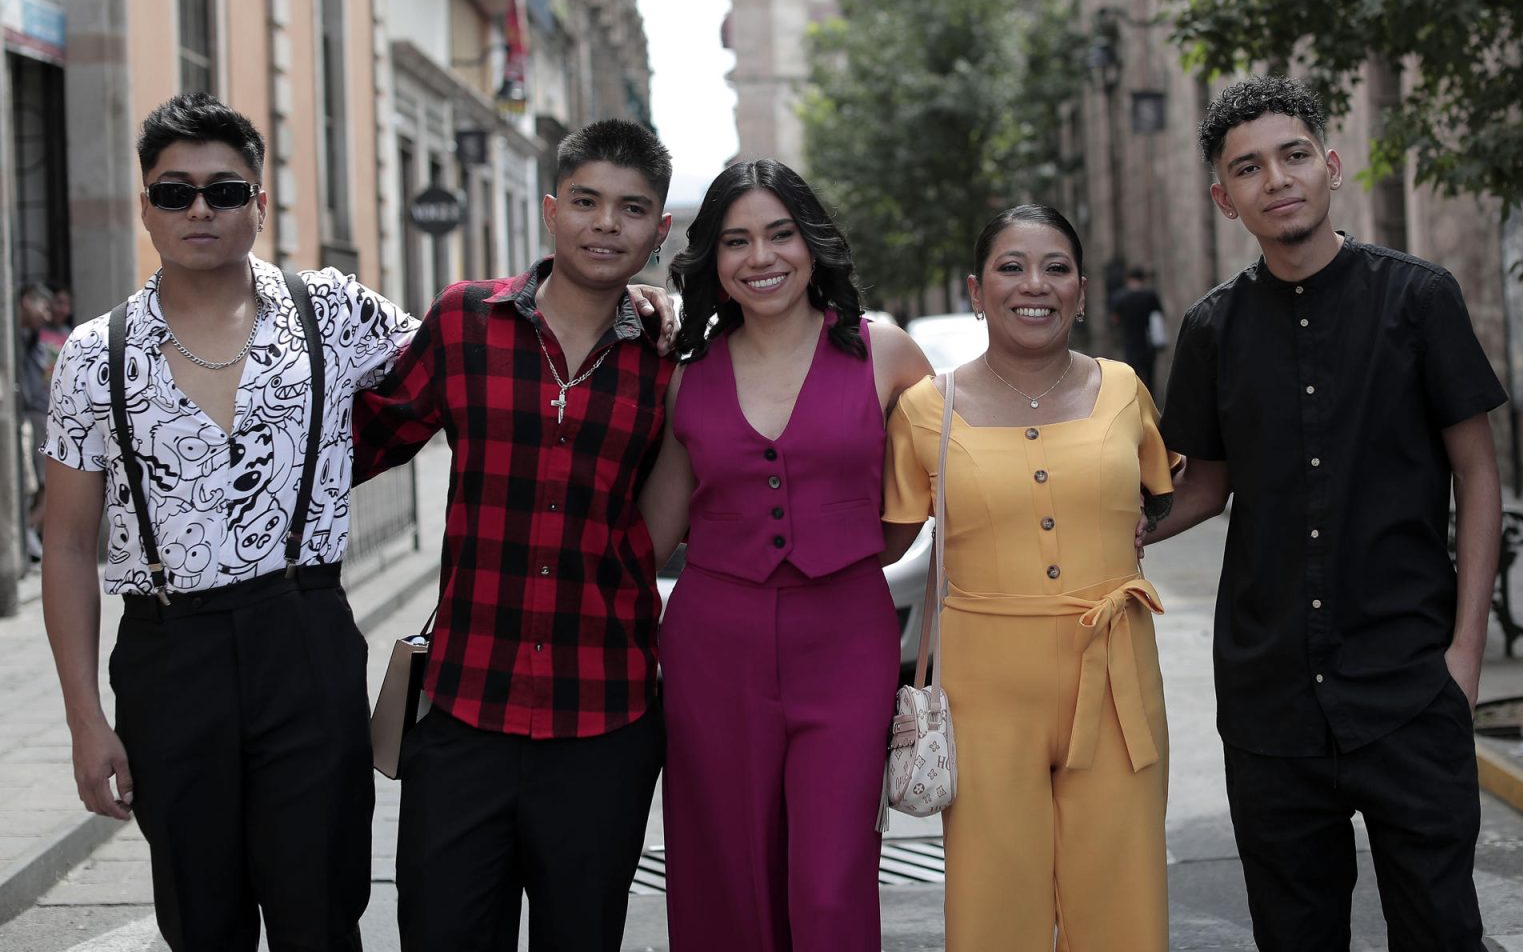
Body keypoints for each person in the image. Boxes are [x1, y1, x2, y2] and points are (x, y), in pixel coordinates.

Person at [41, 93, 419, 951]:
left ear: (259, 200)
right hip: (169, 655)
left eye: (223, 189)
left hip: (305, 632)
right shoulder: (94, 354)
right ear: (145, 209)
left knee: (319, 908)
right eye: (174, 194)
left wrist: (629, 306)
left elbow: (469, 357)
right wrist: (84, 719)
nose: (199, 209)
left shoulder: (331, 311)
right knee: (200, 914)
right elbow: (65, 544)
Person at [1152, 76, 1503, 950]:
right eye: (1248, 168)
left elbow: (1480, 476)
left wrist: (1462, 656)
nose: (1276, 178)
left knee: (1441, 928)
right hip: (1271, 703)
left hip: (1407, 683)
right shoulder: (1211, 331)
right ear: (1223, 199)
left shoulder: (1419, 299)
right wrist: (1091, 525)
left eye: (1293, 155)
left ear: (1330, 165)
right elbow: (1206, 483)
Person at [352, 119, 679, 952]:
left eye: (632, 208)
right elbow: (358, 443)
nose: (607, 223)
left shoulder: (672, 361)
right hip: (465, 711)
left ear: (659, 230)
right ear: (550, 210)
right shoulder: (465, 322)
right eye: (586, 202)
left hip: (604, 716)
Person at [639, 159, 930, 951]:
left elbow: (941, 498)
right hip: (711, 647)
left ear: (814, 244)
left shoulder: (890, 356)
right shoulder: (684, 378)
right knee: (725, 876)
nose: (761, 258)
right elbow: (651, 535)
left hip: (846, 644)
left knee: (830, 885)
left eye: (780, 234)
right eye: (736, 242)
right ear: (714, 263)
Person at [882, 204, 1179, 951]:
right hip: (984, 690)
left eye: (1056, 267)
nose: (1034, 284)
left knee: (1124, 894)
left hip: (1116, 680)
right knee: (993, 903)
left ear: (1080, 289)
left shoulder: (1124, 390)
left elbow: (1164, 497)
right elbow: (883, 543)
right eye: (1011, 267)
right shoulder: (924, 410)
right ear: (978, 290)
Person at [19, 282, 68, 560]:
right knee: (38, 483)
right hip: (35, 414)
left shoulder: (59, 334)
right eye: (46, 306)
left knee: (46, 484)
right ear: (27, 302)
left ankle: (28, 533)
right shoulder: (26, 335)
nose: (50, 314)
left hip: (49, 413)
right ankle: (26, 534)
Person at [1109, 266, 1165, 392]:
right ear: (1143, 279)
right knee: (1150, 377)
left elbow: (1114, 319)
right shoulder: (1151, 296)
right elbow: (1158, 317)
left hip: (1130, 342)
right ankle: (1150, 404)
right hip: (1148, 341)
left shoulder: (1120, 297)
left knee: (1133, 376)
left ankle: (1136, 405)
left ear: (1129, 279)